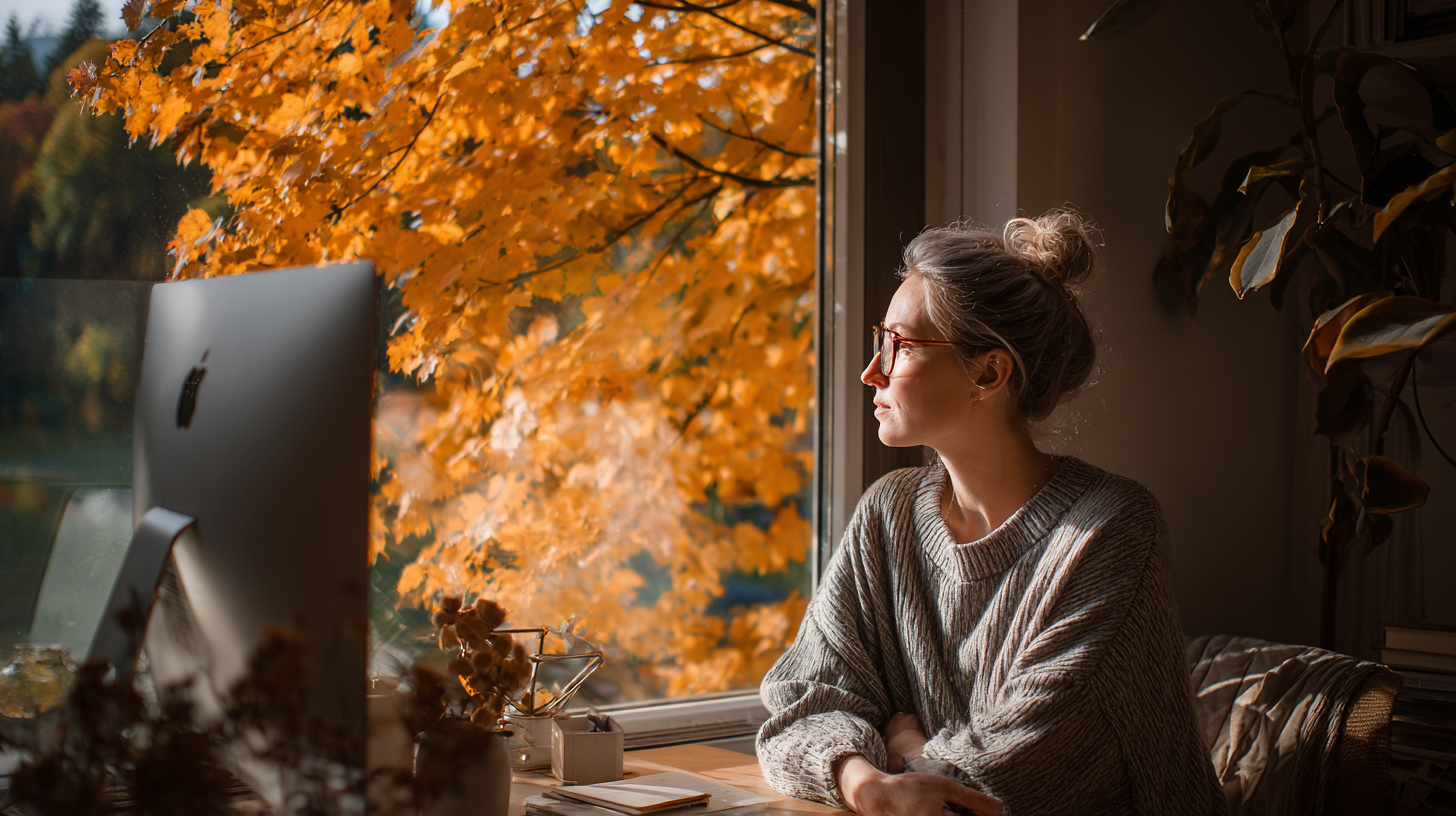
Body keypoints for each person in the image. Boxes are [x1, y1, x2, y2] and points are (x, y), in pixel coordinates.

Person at [755, 210, 1228, 816]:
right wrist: (865, 783)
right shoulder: (888, 515)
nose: (872, 370)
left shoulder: (1112, 529)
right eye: (881, 340)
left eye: (897, 345)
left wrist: (906, 747)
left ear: (987, 371)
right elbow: (802, 704)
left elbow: (1008, 774)